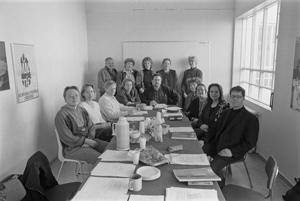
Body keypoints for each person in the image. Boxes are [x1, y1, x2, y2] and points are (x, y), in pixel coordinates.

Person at [199, 86, 259, 188]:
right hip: (217, 145)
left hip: (232, 151)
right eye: (233, 96)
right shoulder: (226, 112)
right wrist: (204, 140)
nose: (235, 99)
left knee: (211, 170)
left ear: (243, 98)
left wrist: (232, 152)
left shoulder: (251, 119)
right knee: (196, 151)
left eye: (238, 97)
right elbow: (214, 129)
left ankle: (219, 191)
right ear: (230, 97)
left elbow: (250, 142)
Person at [55, 86, 108, 165]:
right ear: (65, 98)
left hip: (89, 140)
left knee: (111, 149)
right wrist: (85, 141)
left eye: (76, 95)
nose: (74, 98)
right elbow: (68, 138)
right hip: (73, 148)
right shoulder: (61, 115)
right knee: (100, 160)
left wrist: (89, 139)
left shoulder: (82, 110)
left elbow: (91, 127)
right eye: (71, 96)